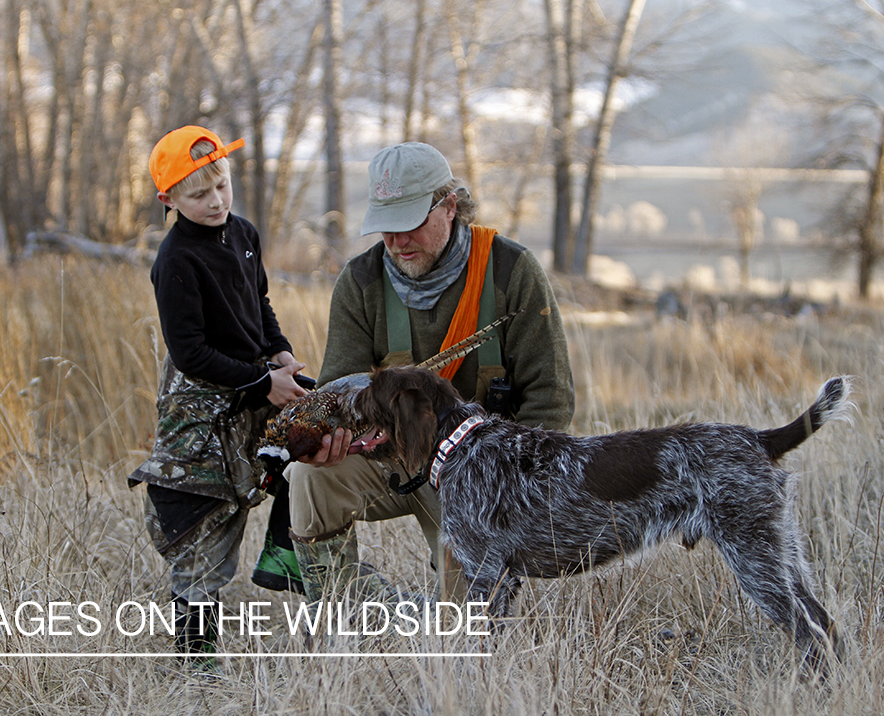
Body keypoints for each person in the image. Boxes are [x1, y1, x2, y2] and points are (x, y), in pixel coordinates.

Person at [285, 141, 575, 604]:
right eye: (386, 228)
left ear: (450, 206)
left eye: (410, 224)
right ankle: (343, 618)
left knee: (465, 633)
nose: (398, 242)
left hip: (481, 476)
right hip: (393, 462)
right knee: (310, 479)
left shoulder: (511, 272)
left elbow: (551, 399)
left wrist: (508, 490)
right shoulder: (360, 283)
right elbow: (340, 393)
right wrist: (328, 438)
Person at [128, 125, 309, 654]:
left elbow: (260, 305)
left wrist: (280, 353)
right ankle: (196, 659)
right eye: (199, 194)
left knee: (304, 455)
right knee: (202, 518)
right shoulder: (176, 261)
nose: (215, 201)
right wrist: (261, 381)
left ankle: (286, 562)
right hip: (202, 406)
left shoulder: (245, 234)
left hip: (256, 381)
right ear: (169, 199)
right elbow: (190, 354)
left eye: (222, 186)